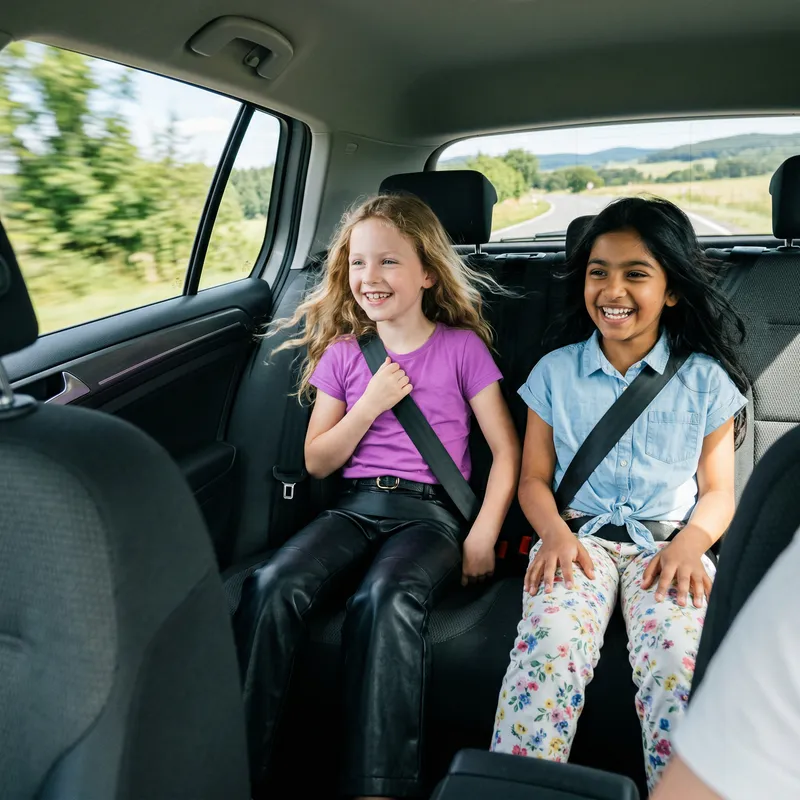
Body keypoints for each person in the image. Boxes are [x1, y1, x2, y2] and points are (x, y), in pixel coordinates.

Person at [235, 193, 521, 800]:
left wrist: (482, 535)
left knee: (386, 595)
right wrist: (369, 403)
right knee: (271, 582)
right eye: (359, 264)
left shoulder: (461, 348)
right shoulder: (344, 355)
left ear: (426, 273)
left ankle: (378, 786)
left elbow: (506, 452)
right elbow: (318, 461)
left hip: (431, 517)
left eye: (389, 262)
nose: (371, 277)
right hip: (355, 508)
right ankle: (240, 766)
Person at [489, 197, 749, 791]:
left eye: (637, 274)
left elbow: (718, 492)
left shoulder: (705, 378)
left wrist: (691, 544)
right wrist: (553, 533)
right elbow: (533, 479)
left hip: (667, 551)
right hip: (577, 540)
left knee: (677, 664)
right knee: (548, 649)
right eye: (598, 272)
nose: (614, 289)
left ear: (672, 290)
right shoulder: (555, 371)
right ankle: (517, 786)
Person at [651, 528, 800, 800]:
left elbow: (719, 493)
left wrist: (690, 542)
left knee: (679, 656)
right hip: (583, 540)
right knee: (553, 642)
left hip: (674, 543)